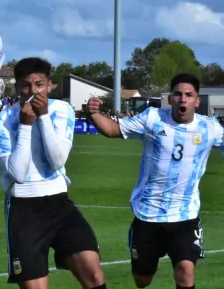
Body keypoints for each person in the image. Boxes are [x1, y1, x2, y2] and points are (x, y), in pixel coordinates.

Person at [87, 73, 224, 289]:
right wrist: (93, 113)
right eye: (178, 94)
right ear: (170, 98)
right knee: (142, 279)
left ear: (197, 101)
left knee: (186, 272)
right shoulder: (152, 118)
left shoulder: (211, 128)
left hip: (185, 215)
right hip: (149, 215)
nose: (183, 99)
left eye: (189, 95)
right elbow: (113, 129)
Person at [0, 57, 107, 289]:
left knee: (94, 275)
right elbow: (18, 174)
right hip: (24, 210)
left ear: (49, 85)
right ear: (16, 86)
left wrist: (43, 117)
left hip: (59, 204)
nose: (33, 91)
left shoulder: (62, 110)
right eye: (26, 85)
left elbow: (57, 161)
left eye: (39, 84)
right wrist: (24, 126)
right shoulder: (2, 121)